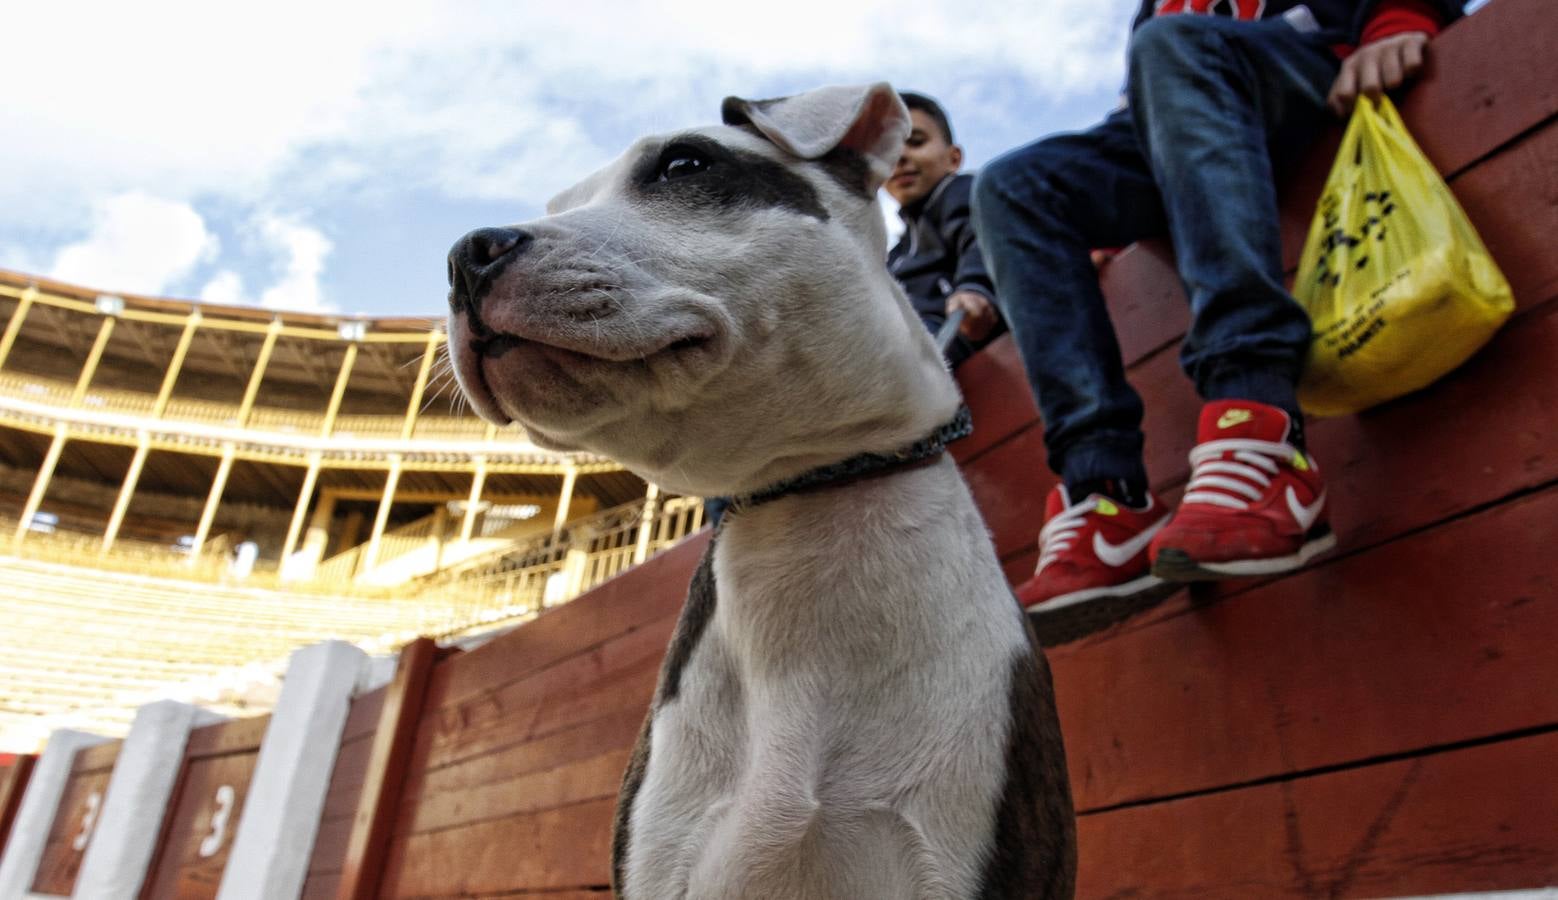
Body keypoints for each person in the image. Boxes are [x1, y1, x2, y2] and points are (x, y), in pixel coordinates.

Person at [971, 0, 1459, 618]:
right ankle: (1106, 497)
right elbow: (1141, 122)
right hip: (1195, 103)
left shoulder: (1172, 32)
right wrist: (1097, 216)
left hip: (1311, 73)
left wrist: (1400, 19)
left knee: (1173, 45)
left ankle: (1260, 427)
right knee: (1012, 186)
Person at [886, 92, 1002, 367]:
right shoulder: (896, 254)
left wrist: (975, 288)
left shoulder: (963, 193)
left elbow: (983, 236)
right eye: (887, 150)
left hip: (953, 331)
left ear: (953, 158)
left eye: (916, 142)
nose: (901, 156)